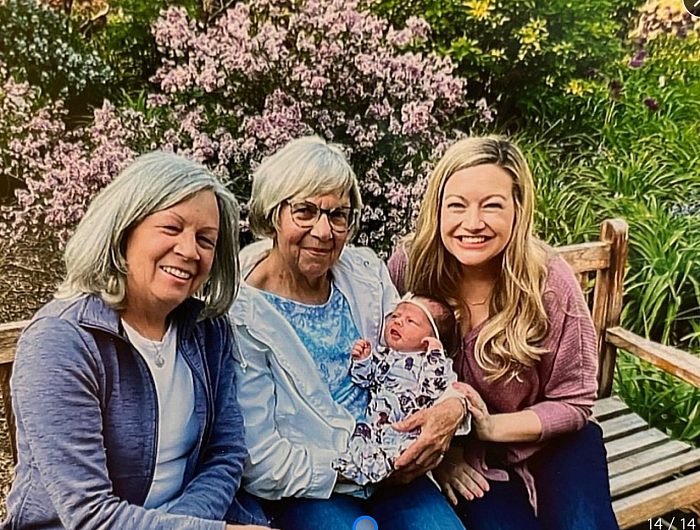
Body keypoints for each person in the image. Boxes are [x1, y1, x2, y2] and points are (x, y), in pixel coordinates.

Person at [1, 152, 269, 530]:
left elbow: (224, 456)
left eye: (205, 239)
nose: (190, 251)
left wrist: (185, 525)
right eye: (171, 228)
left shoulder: (208, 331)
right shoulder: (61, 342)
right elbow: (88, 513)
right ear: (124, 230)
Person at [230, 136, 469, 530]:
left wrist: (452, 408)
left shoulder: (364, 274)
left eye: (338, 215)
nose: (324, 231)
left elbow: (419, 363)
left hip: (398, 467)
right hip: (313, 484)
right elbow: (260, 460)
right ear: (273, 215)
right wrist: (364, 470)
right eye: (305, 211)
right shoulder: (240, 314)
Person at [388, 135, 620, 529]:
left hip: (555, 445)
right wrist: (437, 456)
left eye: (492, 206)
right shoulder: (409, 268)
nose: (472, 224)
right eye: (457, 206)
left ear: (518, 210)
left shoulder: (548, 282)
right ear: (437, 209)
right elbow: (378, 373)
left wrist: (489, 426)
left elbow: (575, 402)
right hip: (465, 460)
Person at [332, 293, 464, 486]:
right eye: (395, 316)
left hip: (407, 427)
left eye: (410, 321)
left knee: (401, 450)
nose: (398, 322)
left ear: (432, 338)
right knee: (362, 440)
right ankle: (356, 469)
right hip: (378, 421)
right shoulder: (385, 355)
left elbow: (433, 388)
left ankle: (383, 470)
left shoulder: (429, 363)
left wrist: (435, 354)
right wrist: (363, 360)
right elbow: (366, 380)